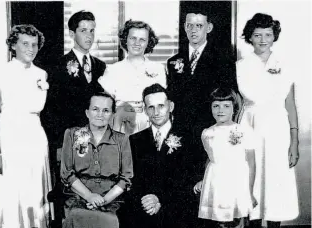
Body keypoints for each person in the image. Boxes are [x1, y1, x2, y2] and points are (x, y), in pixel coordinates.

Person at [166, 12, 238, 214]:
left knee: (209, 182)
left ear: (209, 28)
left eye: (199, 25)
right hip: (182, 129)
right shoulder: (174, 61)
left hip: (211, 129)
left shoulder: (223, 58)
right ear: (184, 27)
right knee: (182, 182)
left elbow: (229, 97)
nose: (194, 30)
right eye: (189, 25)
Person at [0, 24, 52, 228]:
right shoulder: (0, 73)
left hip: (35, 140)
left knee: (33, 193)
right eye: (25, 44)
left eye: (34, 45)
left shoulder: (42, 74)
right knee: (8, 196)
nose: (31, 49)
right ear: (13, 45)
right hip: (9, 139)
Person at [41, 10, 106, 224]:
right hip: (67, 142)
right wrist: (61, 144)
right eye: (83, 30)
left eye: (92, 31)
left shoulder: (100, 66)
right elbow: (50, 111)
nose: (89, 36)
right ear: (72, 33)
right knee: (68, 196)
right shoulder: (57, 66)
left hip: (95, 143)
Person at [236, 13, 299, 228]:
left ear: (274, 37)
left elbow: (290, 104)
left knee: (276, 184)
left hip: (277, 128)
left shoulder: (284, 65)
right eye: (257, 35)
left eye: (267, 35)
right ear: (250, 37)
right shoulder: (240, 66)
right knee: (249, 181)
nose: (263, 40)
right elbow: (235, 104)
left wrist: (295, 142)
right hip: (250, 124)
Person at [120, 83, 200, 228]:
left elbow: (190, 179)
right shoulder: (135, 140)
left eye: (161, 106)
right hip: (145, 208)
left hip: (177, 208)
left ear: (171, 106)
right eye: (151, 107)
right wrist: (147, 201)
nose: (156, 112)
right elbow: (132, 179)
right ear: (145, 110)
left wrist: (160, 199)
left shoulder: (189, 138)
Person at [60, 92, 133, 228]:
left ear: (112, 114)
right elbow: (67, 174)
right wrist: (89, 196)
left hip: (111, 200)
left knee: (110, 220)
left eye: (106, 110)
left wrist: (104, 200)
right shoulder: (71, 134)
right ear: (87, 112)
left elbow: (126, 179)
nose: (100, 114)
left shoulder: (122, 140)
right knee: (75, 215)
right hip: (79, 197)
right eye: (95, 109)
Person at [193, 88, 257, 228]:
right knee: (219, 221)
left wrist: (250, 192)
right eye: (216, 106)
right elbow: (210, 159)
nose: (220, 110)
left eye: (226, 106)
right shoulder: (207, 133)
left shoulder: (243, 131)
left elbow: (251, 163)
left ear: (234, 108)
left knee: (237, 221)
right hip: (216, 183)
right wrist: (204, 180)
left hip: (236, 182)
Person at [98, 20, 166, 135]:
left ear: (148, 42)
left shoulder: (158, 69)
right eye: (132, 38)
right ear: (125, 39)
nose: (137, 43)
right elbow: (106, 104)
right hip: (121, 125)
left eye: (142, 39)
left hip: (150, 123)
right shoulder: (112, 70)